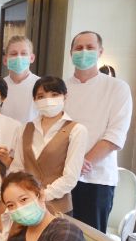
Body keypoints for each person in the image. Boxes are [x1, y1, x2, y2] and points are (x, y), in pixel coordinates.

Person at [65, 31, 133, 231]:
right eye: (79, 48)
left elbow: (115, 134)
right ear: (71, 52)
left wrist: (82, 162)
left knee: (91, 240)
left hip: (97, 178)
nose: (83, 52)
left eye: (90, 47)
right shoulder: (62, 88)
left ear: (100, 51)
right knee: (59, 236)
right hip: (61, 177)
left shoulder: (117, 88)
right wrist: (70, 165)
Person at [10, 76, 88, 216]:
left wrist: (41, 195)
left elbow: (70, 177)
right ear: (34, 100)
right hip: (25, 205)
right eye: (41, 96)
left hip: (58, 207)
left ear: (65, 96)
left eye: (54, 94)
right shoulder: (24, 128)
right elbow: (17, 167)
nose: (48, 100)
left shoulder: (76, 130)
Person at [1, 36, 39, 124]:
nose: (18, 57)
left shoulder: (41, 85)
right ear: (5, 60)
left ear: (32, 58)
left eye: (24, 53)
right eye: (13, 54)